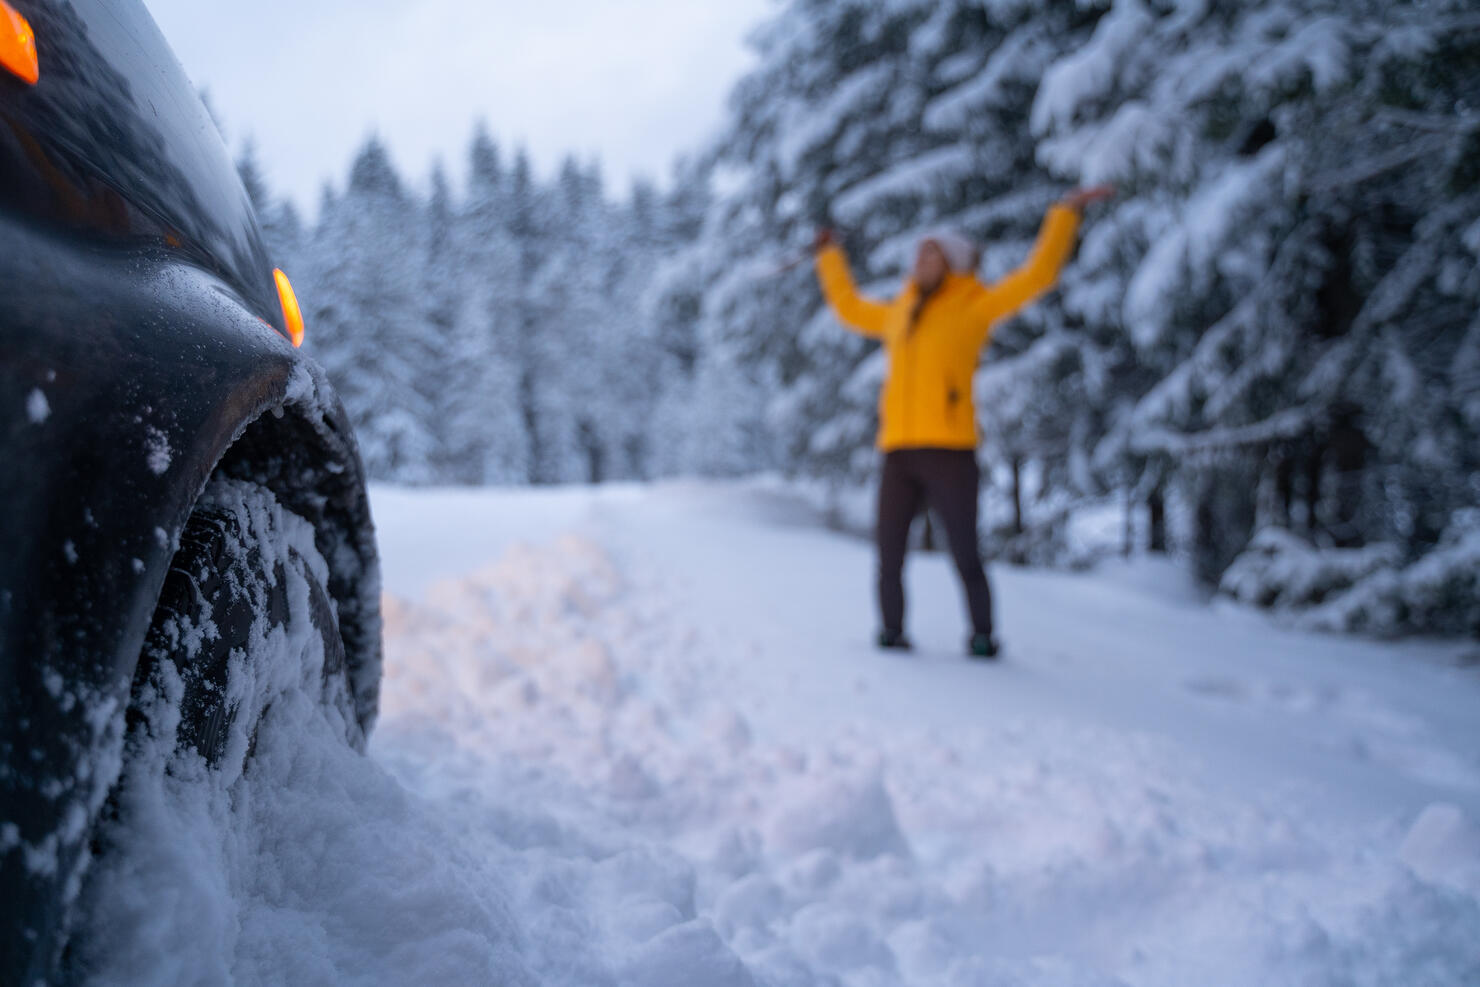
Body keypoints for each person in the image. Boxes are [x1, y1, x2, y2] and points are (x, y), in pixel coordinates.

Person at [812, 186, 1113, 659]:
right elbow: (849, 307)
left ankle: (982, 636)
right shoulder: (899, 314)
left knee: (965, 553)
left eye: (930, 254)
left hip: (950, 450)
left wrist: (1064, 214)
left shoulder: (974, 306)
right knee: (889, 552)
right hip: (898, 449)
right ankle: (891, 633)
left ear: (951, 262)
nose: (919, 261)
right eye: (918, 254)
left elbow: (1038, 275)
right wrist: (830, 256)